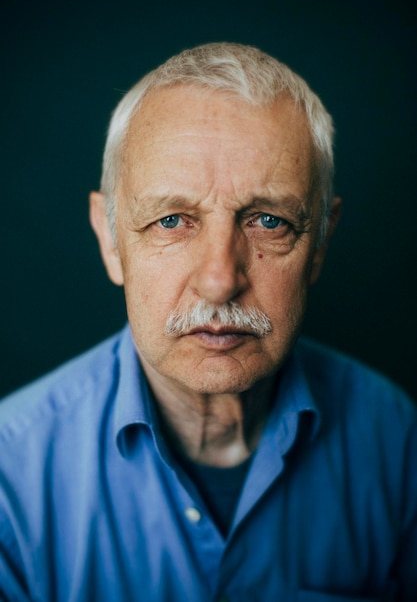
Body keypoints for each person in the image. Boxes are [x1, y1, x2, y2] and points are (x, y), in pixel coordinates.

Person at [0, 43, 416, 601]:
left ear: (320, 240)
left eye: (270, 220)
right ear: (109, 237)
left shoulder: (397, 441)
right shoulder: (10, 477)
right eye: (171, 220)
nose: (220, 280)